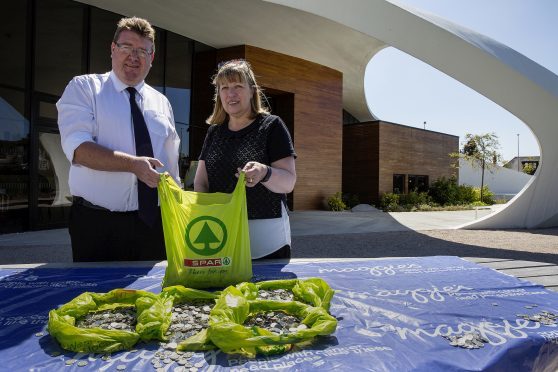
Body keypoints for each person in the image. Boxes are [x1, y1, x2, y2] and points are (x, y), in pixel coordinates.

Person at [57, 17, 180, 262]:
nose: (134, 56)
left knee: (152, 296)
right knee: (95, 298)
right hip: (97, 225)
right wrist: (133, 164)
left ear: (152, 57)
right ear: (113, 49)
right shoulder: (84, 89)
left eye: (142, 51)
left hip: (153, 224)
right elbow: (78, 149)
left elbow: (171, 165)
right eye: (126, 48)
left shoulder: (162, 102)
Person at [194, 59, 297, 259]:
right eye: (224, 88)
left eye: (238, 86)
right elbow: (201, 182)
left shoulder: (272, 126)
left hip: (266, 239)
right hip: (220, 237)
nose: (231, 94)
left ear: (252, 91)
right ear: (219, 95)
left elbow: (288, 182)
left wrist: (264, 173)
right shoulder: (214, 132)